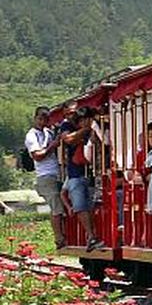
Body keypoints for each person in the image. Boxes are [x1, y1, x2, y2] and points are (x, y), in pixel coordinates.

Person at [56, 107, 103, 252]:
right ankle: (91, 235)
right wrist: (86, 129)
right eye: (69, 112)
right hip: (75, 172)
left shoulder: (92, 129)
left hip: (90, 172)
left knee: (90, 205)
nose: (72, 115)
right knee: (80, 205)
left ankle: (93, 236)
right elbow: (69, 139)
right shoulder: (66, 126)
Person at [23, 107, 64, 248]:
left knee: (62, 204)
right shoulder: (31, 136)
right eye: (41, 118)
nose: (43, 121)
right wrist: (52, 146)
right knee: (56, 207)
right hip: (45, 175)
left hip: (56, 172)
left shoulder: (48, 132)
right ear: (35, 118)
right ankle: (59, 239)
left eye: (46, 118)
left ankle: (63, 235)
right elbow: (37, 156)